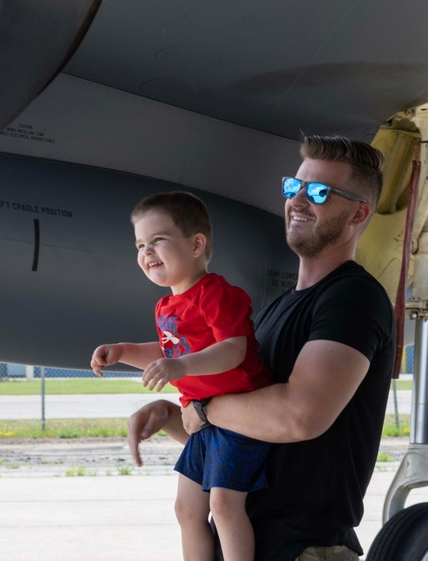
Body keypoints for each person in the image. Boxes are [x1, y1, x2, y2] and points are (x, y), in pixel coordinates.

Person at [126, 136, 395, 561]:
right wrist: (169, 415)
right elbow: (241, 439)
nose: (299, 201)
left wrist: (202, 407)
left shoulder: (353, 298)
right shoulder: (274, 311)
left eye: (320, 193)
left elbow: (297, 416)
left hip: (305, 549)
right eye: (294, 188)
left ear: (359, 213)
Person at [91, 191, 273, 561]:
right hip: (202, 421)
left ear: (196, 244)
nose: (146, 252)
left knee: (223, 505)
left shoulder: (216, 293)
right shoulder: (166, 306)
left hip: (239, 420)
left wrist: (183, 366)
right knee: (186, 510)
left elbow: (232, 349)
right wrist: (124, 352)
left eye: (158, 240)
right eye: (140, 244)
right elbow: (167, 354)